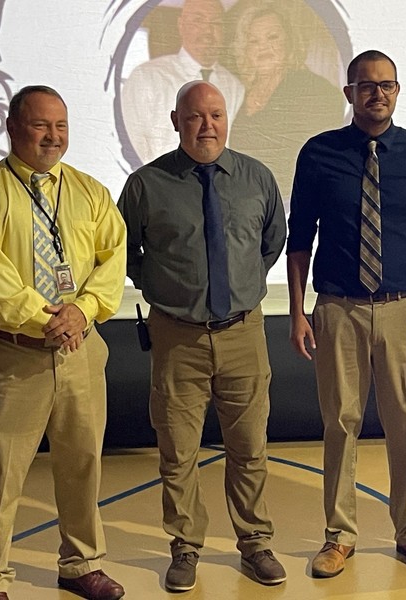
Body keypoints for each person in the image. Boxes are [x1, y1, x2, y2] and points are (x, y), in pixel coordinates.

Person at [286, 50, 406, 579]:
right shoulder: (318, 153)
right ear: (349, 93)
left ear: (398, 90)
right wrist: (297, 312)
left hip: (402, 309)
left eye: (385, 85)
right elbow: (299, 240)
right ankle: (339, 536)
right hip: (337, 309)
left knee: (404, 422)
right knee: (340, 422)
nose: (376, 94)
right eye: (366, 85)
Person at [0, 86, 126, 600]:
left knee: (83, 463)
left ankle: (81, 564)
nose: (53, 136)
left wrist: (83, 311)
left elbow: (112, 261)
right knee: (1, 471)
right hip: (14, 355)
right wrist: (49, 317)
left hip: (81, 350)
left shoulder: (90, 192)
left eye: (61, 126)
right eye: (40, 125)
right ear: (12, 128)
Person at [117, 81, 287, 592]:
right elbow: (124, 253)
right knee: (178, 452)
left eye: (216, 114)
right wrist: (167, 290)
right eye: (195, 117)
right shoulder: (146, 185)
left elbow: (271, 243)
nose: (206, 125)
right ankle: (185, 547)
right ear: (175, 121)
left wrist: (236, 288)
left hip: (243, 333)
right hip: (176, 337)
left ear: (227, 118)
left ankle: (255, 542)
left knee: (250, 447)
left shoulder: (256, 177)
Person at [228, 2, 344, 197]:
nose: (262, 47)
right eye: (253, 41)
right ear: (245, 50)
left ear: (289, 41)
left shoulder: (314, 89)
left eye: (272, 37)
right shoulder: (236, 93)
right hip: (246, 200)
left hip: (294, 201)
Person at [121, 0, 244, 163]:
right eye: (198, 20)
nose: (207, 30)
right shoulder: (147, 77)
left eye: (215, 22)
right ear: (181, 25)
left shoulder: (234, 86)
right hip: (162, 183)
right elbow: (131, 143)